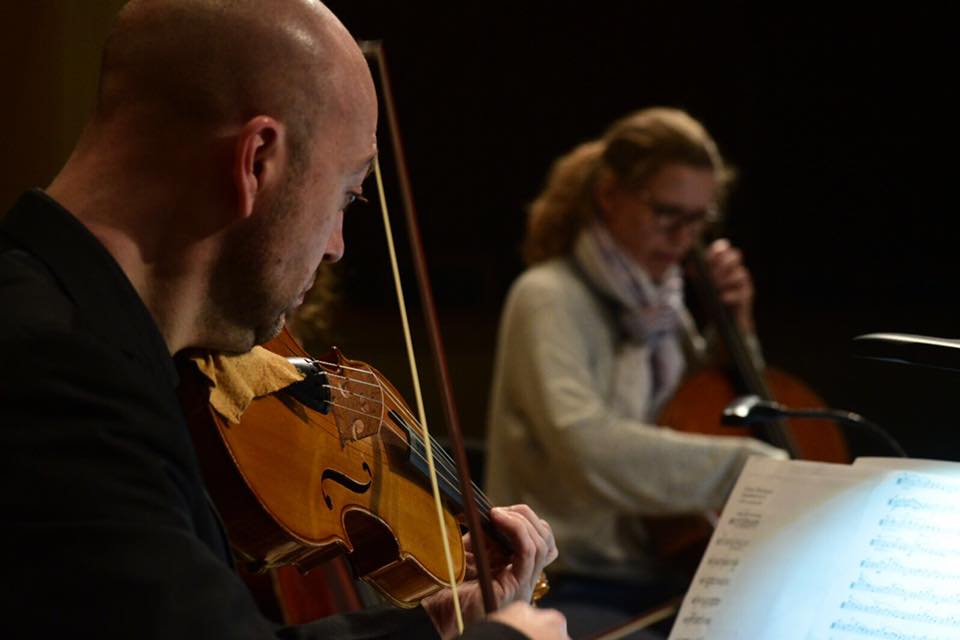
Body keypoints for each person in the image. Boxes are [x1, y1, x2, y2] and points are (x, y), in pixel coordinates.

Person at [0, 1, 567, 639]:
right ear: (257, 161)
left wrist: (437, 625)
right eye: (346, 196)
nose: (336, 246)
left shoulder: (78, 338)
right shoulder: (54, 378)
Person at [484, 108, 786, 637]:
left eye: (699, 220)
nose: (683, 238)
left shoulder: (665, 307)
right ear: (609, 195)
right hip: (569, 580)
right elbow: (586, 447)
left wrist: (736, 333)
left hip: (663, 575)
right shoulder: (548, 297)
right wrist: (749, 467)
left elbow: (708, 414)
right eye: (668, 213)